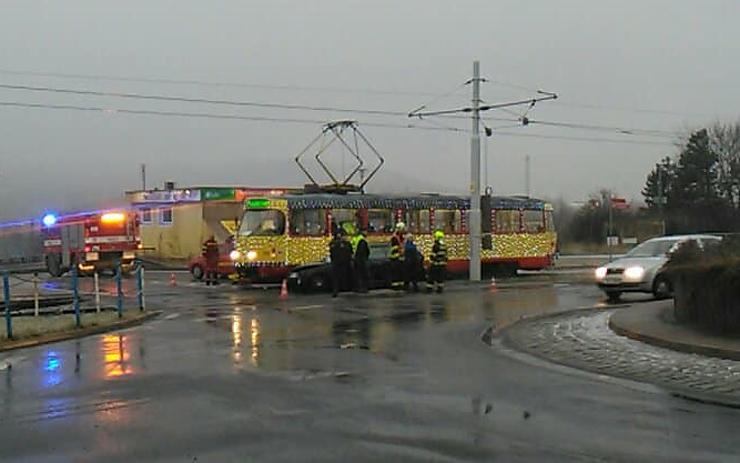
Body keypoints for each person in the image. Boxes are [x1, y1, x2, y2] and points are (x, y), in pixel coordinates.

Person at [329, 230, 353, 297]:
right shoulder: (335, 243)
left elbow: (350, 252)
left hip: (344, 263)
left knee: (343, 277)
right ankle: (336, 290)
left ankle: (344, 288)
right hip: (337, 263)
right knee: (336, 277)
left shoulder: (347, 243)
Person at [352, 227, 370, 293]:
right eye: (365, 231)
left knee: (357, 275)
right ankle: (363, 288)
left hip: (355, 259)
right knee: (362, 275)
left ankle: (357, 288)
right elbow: (364, 251)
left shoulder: (355, 239)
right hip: (361, 260)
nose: (367, 233)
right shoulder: (362, 240)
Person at [389, 222, 406, 290]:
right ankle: (396, 286)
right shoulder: (395, 238)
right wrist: (400, 251)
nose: (403, 230)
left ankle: (401, 285)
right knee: (396, 273)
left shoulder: (401, 237)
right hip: (395, 259)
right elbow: (394, 248)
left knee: (401, 273)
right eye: (402, 229)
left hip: (401, 258)